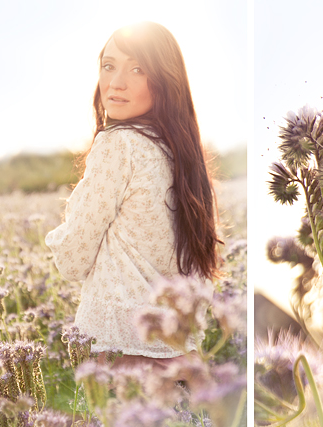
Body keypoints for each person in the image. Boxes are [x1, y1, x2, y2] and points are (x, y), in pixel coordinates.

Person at [46, 22, 220, 373]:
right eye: (108, 66)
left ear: (164, 80)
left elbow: (71, 259)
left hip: (119, 355)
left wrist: (57, 235)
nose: (116, 82)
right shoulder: (183, 157)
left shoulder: (118, 144)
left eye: (137, 69)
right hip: (182, 359)